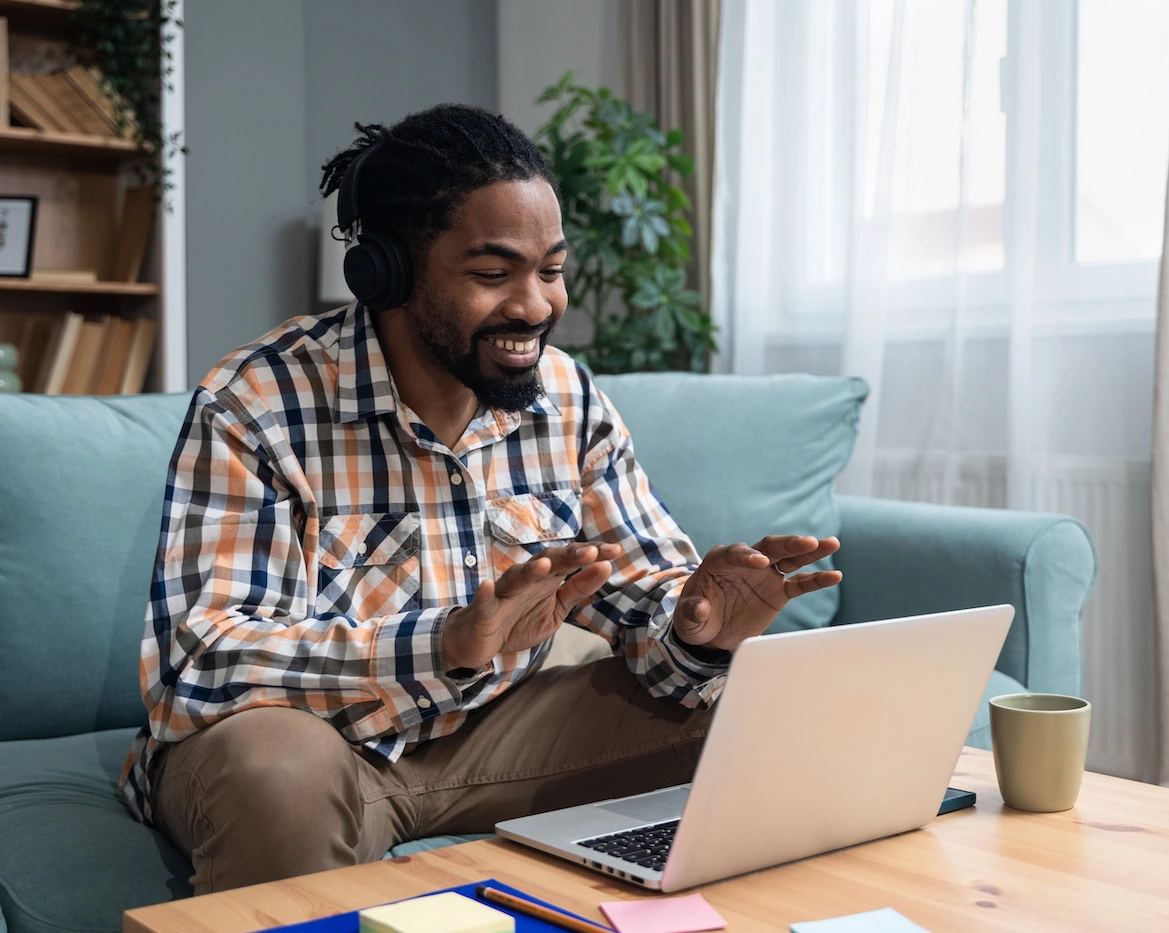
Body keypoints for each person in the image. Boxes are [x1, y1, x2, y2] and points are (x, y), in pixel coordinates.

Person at [119, 103, 842, 895]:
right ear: (386, 273)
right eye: (494, 274)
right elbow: (203, 659)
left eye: (552, 270)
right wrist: (444, 645)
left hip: (497, 734)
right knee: (277, 771)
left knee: (759, 710)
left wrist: (698, 629)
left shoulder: (565, 398)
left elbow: (648, 592)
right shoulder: (256, 402)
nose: (535, 307)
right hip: (310, 751)